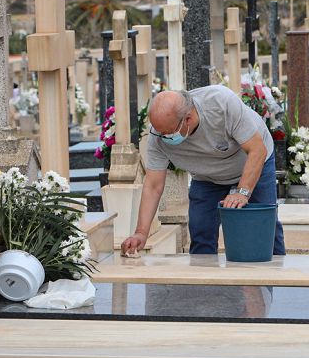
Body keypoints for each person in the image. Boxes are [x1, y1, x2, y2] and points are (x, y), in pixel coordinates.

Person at [120, 88, 284, 256]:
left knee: (265, 226)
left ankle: (277, 278)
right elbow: (153, 185)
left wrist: (242, 192)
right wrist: (141, 232)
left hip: (252, 162)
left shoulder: (221, 103)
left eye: (168, 133)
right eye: (158, 132)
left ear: (188, 119)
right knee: (201, 231)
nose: (162, 137)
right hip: (207, 177)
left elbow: (257, 150)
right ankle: (204, 280)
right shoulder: (158, 136)